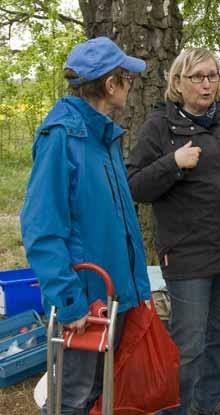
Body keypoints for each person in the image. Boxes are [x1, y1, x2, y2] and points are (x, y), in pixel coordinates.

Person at [127, 48, 220, 415]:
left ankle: (212, 405)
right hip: (187, 253)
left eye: (213, 75)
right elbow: (135, 187)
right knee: (188, 344)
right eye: (198, 76)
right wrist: (173, 163)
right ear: (177, 82)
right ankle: (176, 409)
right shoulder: (159, 128)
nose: (208, 84)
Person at [20, 37, 151, 414]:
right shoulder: (63, 135)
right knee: (71, 399)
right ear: (112, 84)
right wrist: (71, 302)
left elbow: (117, 221)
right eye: (128, 78)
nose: (131, 85)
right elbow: (41, 228)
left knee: (95, 391)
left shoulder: (103, 135)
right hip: (85, 303)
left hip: (112, 294)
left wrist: (136, 287)